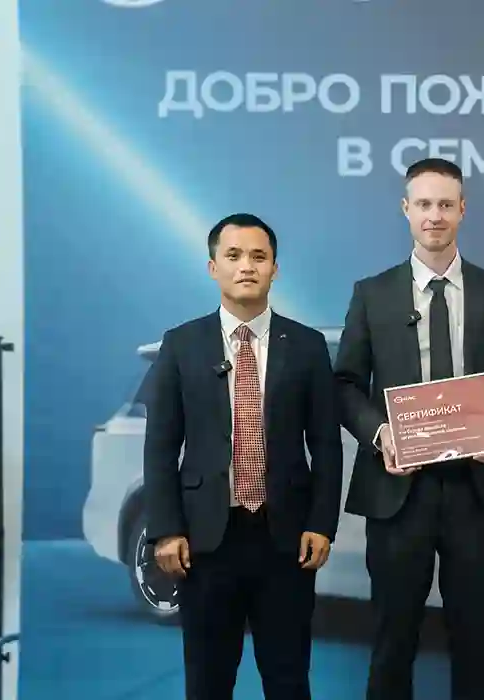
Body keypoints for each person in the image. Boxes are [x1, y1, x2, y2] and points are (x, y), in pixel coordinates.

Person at [332, 157, 484, 700]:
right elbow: (345, 385)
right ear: (406, 210)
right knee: (393, 637)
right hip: (397, 491)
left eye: (445, 204)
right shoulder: (372, 293)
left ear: (462, 210)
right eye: (424, 204)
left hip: (476, 491)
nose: (435, 215)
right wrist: (380, 434)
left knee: (473, 640)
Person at [143, 213, 343, 700]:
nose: (246, 266)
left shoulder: (308, 346)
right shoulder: (181, 345)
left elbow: (326, 444)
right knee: (208, 682)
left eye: (259, 256)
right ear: (213, 267)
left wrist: (322, 523)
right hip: (205, 541)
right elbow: (161, 446)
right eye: (233, 256)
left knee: (288, 680)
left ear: (275, 268)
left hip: (286, 540)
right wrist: (166, 529)